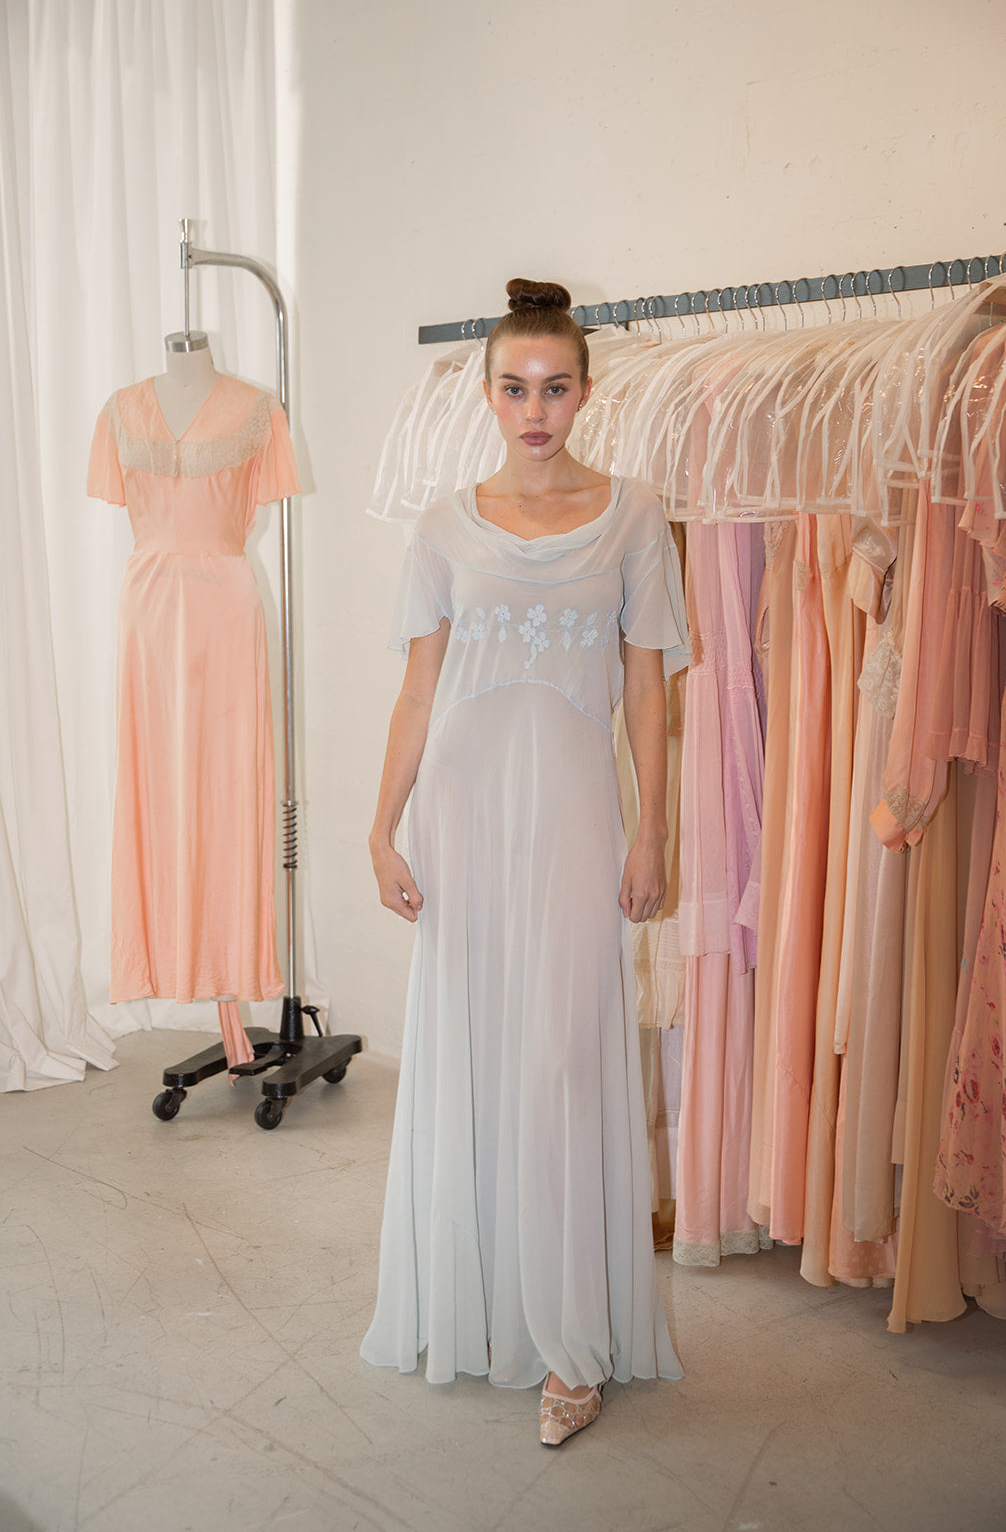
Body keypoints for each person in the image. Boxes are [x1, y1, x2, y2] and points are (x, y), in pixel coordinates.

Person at [361, 278, 688, 1445]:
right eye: (515, 388)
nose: (535, 408)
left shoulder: (637, 512)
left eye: (555, 388)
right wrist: (379, 824)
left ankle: (570, 1341)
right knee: (479, 1049)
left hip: (572, 814)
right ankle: (485, 1301)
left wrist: (652, 825)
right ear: (487, 392)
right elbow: (417, 688)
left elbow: (646, 683)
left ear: (585, 391)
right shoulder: (444, 524)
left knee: (561, 1055)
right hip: (462, 809)